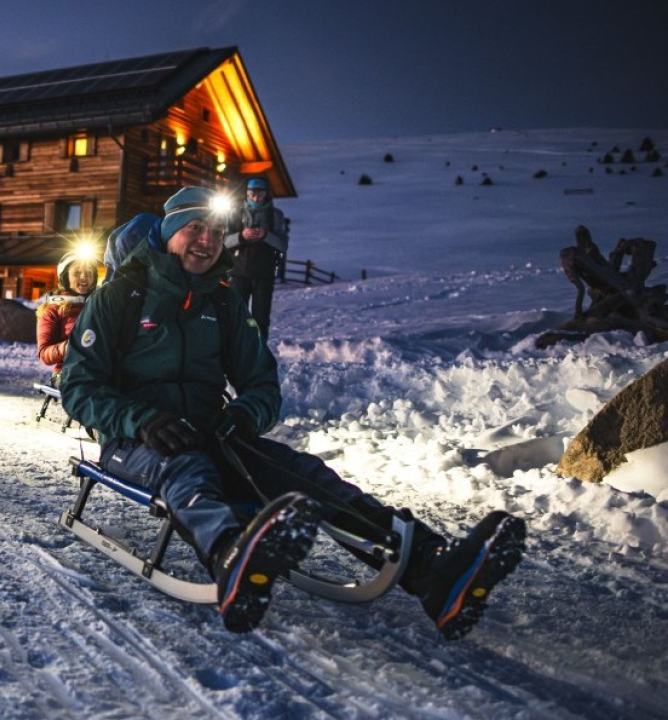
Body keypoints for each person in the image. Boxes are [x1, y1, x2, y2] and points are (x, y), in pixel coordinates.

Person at [61, 186, 525, 639]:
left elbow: (262, 384)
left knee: (304, 474)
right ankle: (230, 558)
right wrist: (140, 420)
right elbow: (78, 387)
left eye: (216, 231)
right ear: (169, 231)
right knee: (187, 470)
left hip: (213, 431)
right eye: (194, 228)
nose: (206, 240)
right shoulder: (119, 298)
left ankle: (432, 568)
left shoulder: (223, 303)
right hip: (134, 442)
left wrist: (243, 416)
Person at [225, 177, 288, 337]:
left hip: (264, 274)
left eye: (260, 194)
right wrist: (241, 236)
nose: (256, 198)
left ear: (266, 194)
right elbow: (223, 242)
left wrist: (266, 236)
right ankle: (236, 353)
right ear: (247, 193)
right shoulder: (235, 213)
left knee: (261, 318)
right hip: (238, 273)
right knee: (237, 317)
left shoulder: (275, 215)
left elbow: (283, 245)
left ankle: (259, 354)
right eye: (252, 194)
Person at [36, 250, 99, 385]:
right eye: (76, 273)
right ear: (65, 277)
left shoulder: (99, 305)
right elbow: (44, 354)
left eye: (89, 273)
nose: (84, 277)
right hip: (68, 372)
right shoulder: (53, 309)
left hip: (101, 368)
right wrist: (69, 347)